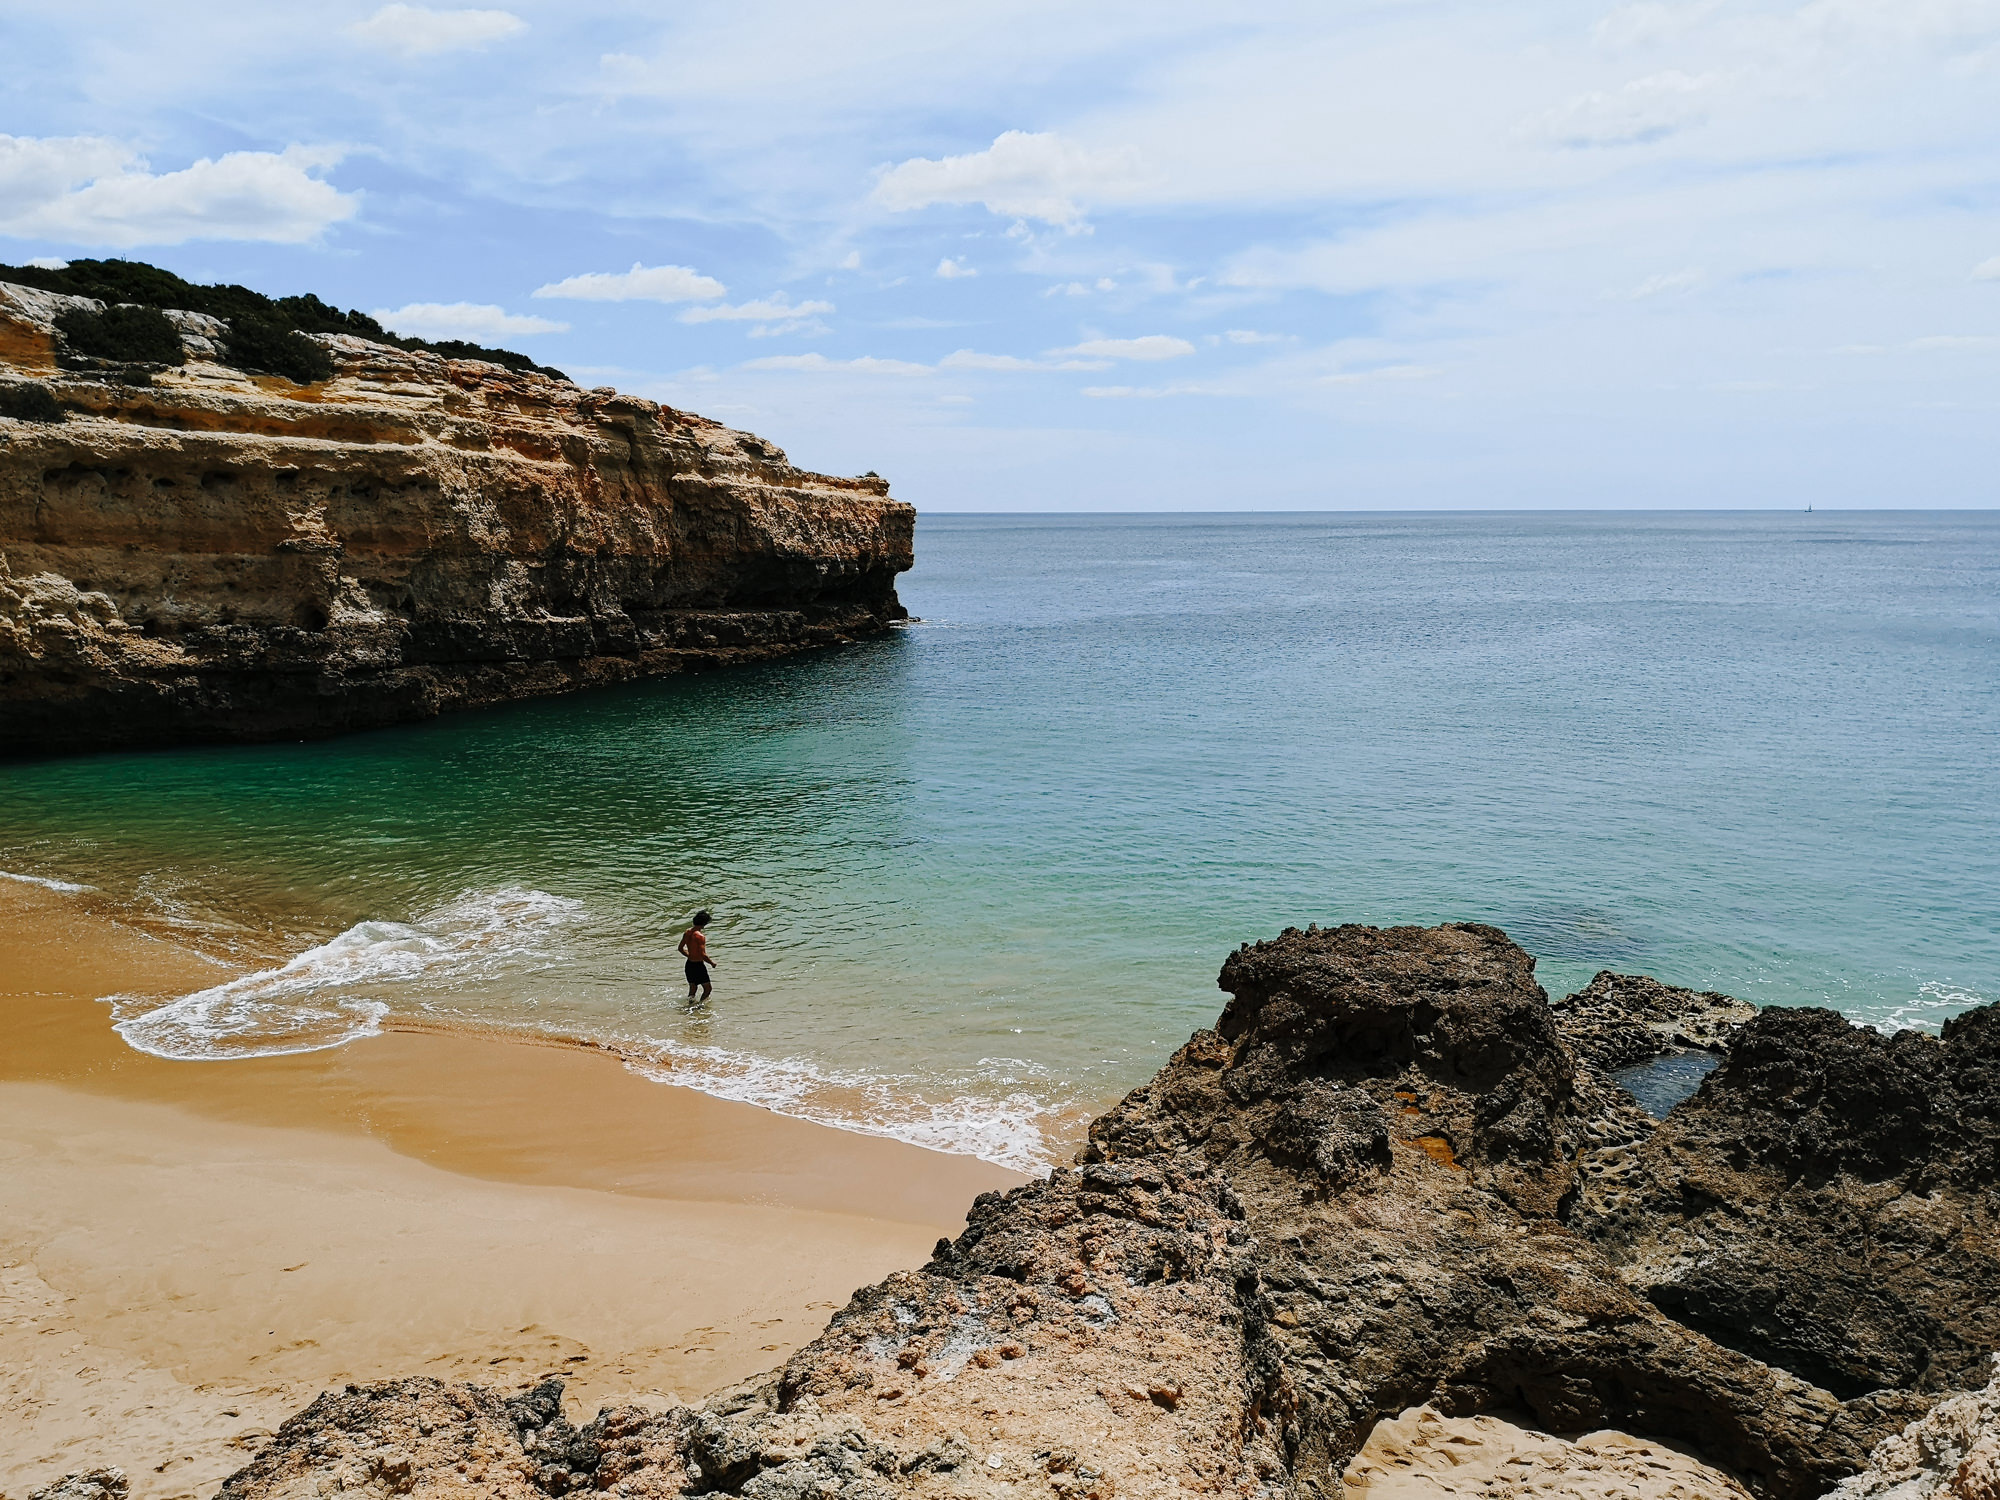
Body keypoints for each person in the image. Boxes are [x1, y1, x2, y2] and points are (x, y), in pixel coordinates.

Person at [679, 910, 715, 1004]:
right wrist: (712, 963)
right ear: (704, 923)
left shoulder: (687, 932)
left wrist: (690, 955)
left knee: (693, 988)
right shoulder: (700, 936)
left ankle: (689, 1007)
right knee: (708, 989)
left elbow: (680, 948)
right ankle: (700, 1006)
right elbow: (703, 954)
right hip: (698, 966)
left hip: (689, 964)